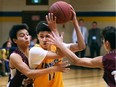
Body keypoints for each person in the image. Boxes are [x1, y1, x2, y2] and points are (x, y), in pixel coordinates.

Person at [29, 7, 85, 87]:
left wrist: (75, 22)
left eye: (47, 36)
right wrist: (55, 30)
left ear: (52, 35)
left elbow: (81, 46)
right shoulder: (34, 51)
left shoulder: (57, 46)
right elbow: (59, 54)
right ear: (37, 36)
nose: (44, 39)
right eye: (41, 36)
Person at [48, 26, 116, 87]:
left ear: (107, 43)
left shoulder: (105, 60)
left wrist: (60, 45)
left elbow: (76, 61)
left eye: (103, 41)